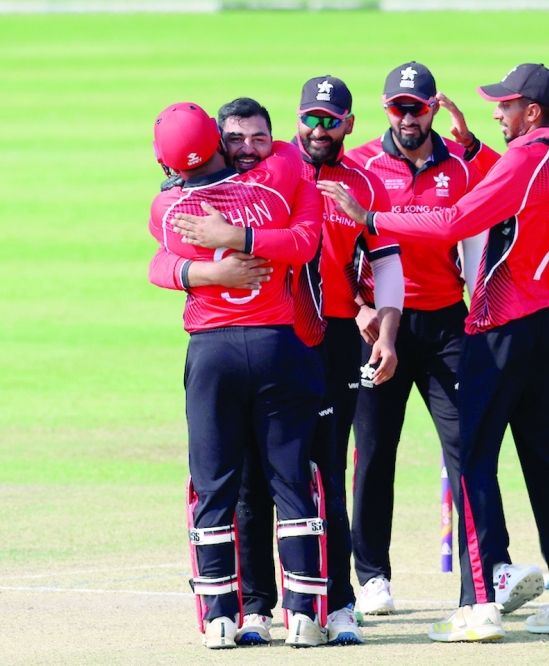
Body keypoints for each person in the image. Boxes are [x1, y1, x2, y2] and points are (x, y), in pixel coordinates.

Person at [326, 63, 549, 643]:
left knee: (472, 461)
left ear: (532, 113)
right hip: (539, 328)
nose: (496, 113)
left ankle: (477, 607)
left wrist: (370, 217)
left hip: (497, 326)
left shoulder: (526, 159)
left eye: (505, 106)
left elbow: (454, 221)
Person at [345, 61, 540, 616]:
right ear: (386, 110)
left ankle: (496, 568)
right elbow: (335, 248)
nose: (408, 117)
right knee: (375, 449)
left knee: (469, 448)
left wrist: (475, 144)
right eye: (398, 108)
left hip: (447, 322)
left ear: (434, 107)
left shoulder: (461, 164)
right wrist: (359, 310)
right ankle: (373, 576)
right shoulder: (361, 166)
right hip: (382, 328)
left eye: (418, 107)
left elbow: (511, 190)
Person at [148, 102, 328, 648]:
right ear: (220, 142)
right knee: (293, 481)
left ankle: (221, 620)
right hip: (277, 343)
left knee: (213, 486)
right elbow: (303, 239)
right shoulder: (281, 179)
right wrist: (237, 243)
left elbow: (157, 266)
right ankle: (305, 616)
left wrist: (198, 270)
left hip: (211, 353)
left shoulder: (165, 209)